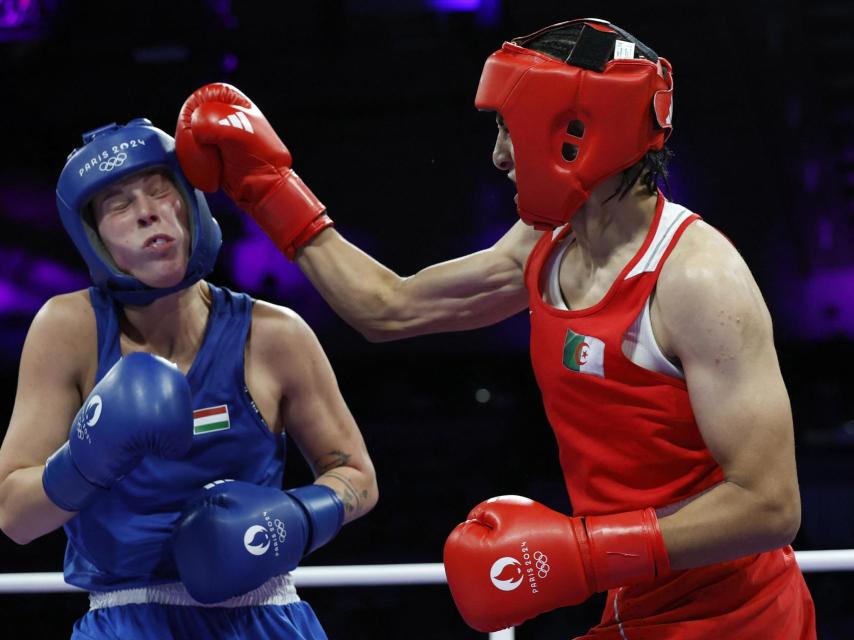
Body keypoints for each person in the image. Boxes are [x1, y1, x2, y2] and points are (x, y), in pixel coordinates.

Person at [173, 17, 816, 640]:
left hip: (739, 617)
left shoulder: (696, 280)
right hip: (638, 599)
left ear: (573, 132)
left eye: (511, 129)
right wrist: (264, 185)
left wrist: (584, 553)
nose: (500, 155)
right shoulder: (546, 245)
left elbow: (771, 505)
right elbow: (388, 307)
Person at [0, 118, 378, 639]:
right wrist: (86, 459)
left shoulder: (273, 335)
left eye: (161, 190)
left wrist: (294, 517)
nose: (148, 212)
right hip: (127, 618)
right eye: (118, 204)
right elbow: (14, 517)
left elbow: (356, 474)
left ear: (190, 203)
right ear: (94, 238)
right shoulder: (69, 331)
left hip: (265, 615)